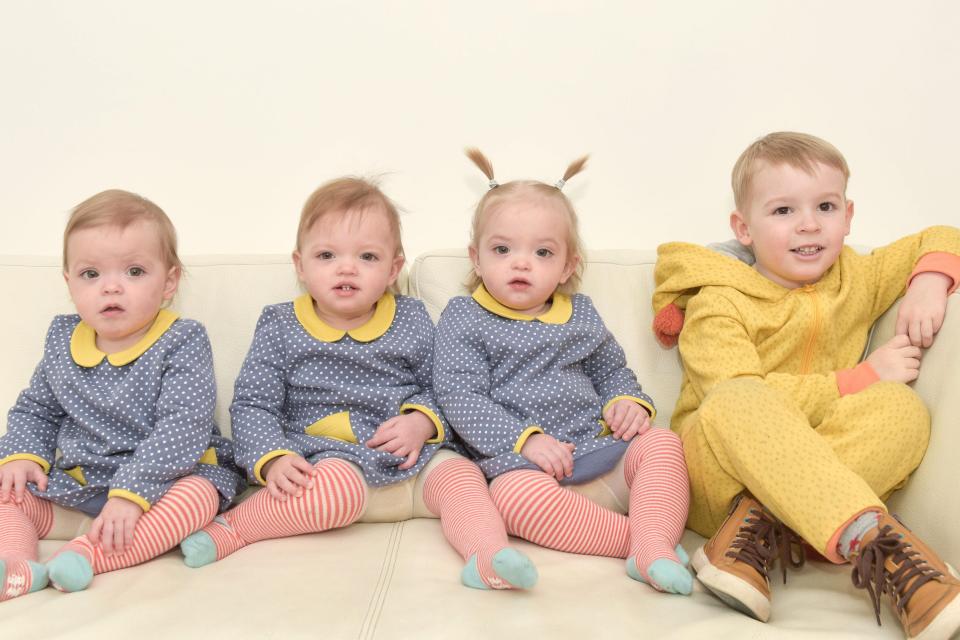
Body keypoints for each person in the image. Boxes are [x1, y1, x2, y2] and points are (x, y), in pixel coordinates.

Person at [653, 131, 960, 638]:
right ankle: (882, 546)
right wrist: (857, 379)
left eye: (825, 205)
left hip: (810, 472)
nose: (809, 224)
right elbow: (730, 391)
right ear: (743, 228)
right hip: (721, 475)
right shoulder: (718, 301)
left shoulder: (857, 276)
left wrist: (930, 281)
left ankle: (758, 530)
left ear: (849, 215)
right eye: (782, 211)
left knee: (902, 409)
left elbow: (943, 234)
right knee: (737, 395)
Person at [180, 177, 536, 591]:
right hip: (330, 460)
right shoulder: (280, 324)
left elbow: (444, 387)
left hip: (411, 464)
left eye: (367, 256)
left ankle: (488, 557)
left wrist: (421, 422)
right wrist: (271, 457)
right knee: (336, 491)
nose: (346, 268)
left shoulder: (412, 318)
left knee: (462, 477)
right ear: (300, 265)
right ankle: (235, 529)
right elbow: (253, 404)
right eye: (327, 255)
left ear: (393, 269)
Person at [434, 150, 692, 595]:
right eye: (502, 249)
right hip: (523, 467)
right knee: (510, 500)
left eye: (542, 252)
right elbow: (460, 396)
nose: (521, 262)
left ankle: (651, 542)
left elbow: (612, 371)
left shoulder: (581, 314)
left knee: (664, 443)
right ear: (476, 258)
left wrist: (626, 403)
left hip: (600, 451)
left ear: (568, 265)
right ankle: (646, 545)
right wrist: (526, 441)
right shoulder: (465, 316)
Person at [0, 189, 243, 601]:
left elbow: (184, 426)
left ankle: (88, 556)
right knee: (9, 489)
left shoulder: (181, 340)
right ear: (69, 283)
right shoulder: (63, 338)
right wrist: (23, 455)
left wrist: (133, 492)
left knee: (200, 498)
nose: (111, 288)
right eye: (91, 274)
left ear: (168, 283)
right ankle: (16, 565)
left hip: (165, 481)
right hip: (81, 484)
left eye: (133, 271)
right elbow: (37, 408)